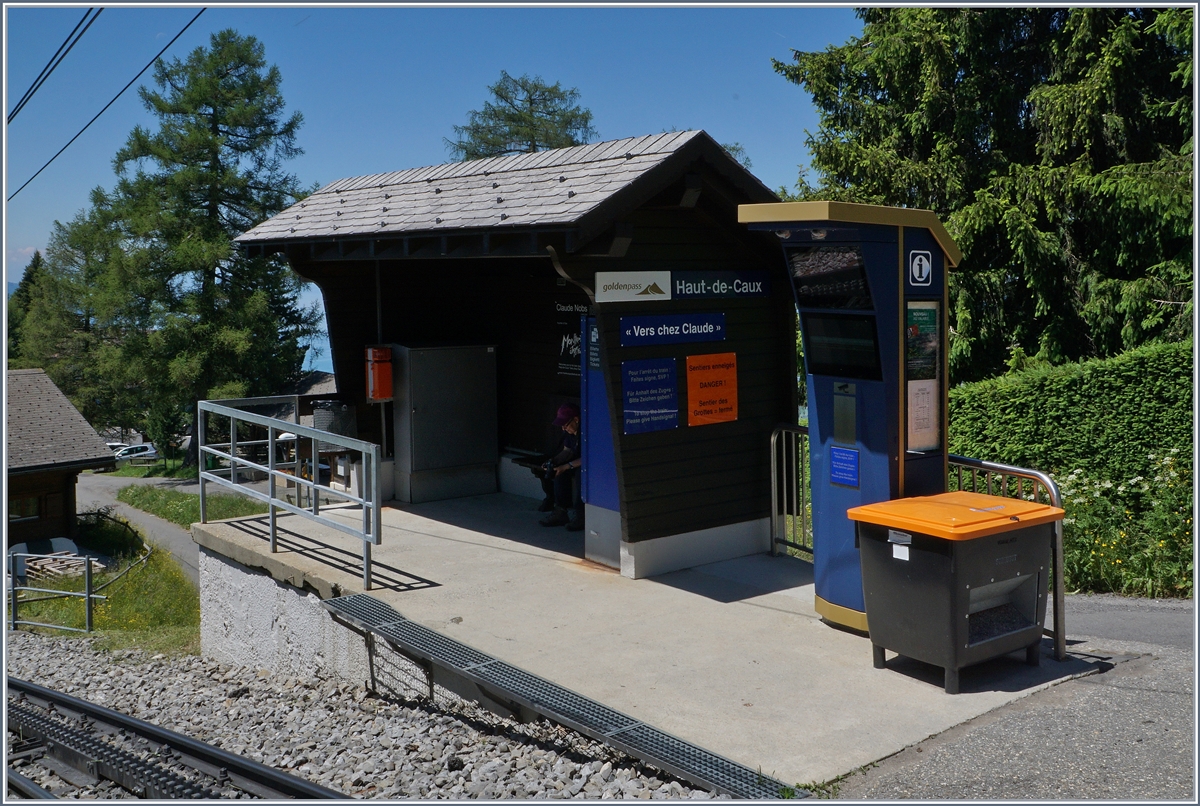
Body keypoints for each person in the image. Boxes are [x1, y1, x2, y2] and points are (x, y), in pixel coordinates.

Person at [537, 402, 583, 531]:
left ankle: (581, 515)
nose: (563, 428)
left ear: (576, 419)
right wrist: (554, 461)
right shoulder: (569, 432)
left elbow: (590, 458)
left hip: (589, 465)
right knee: (559, 472)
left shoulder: (587, 431)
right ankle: (560, 512)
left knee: (580, 474)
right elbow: (567, 451)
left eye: (565, 424)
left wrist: (567, 466)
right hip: (575, 462)